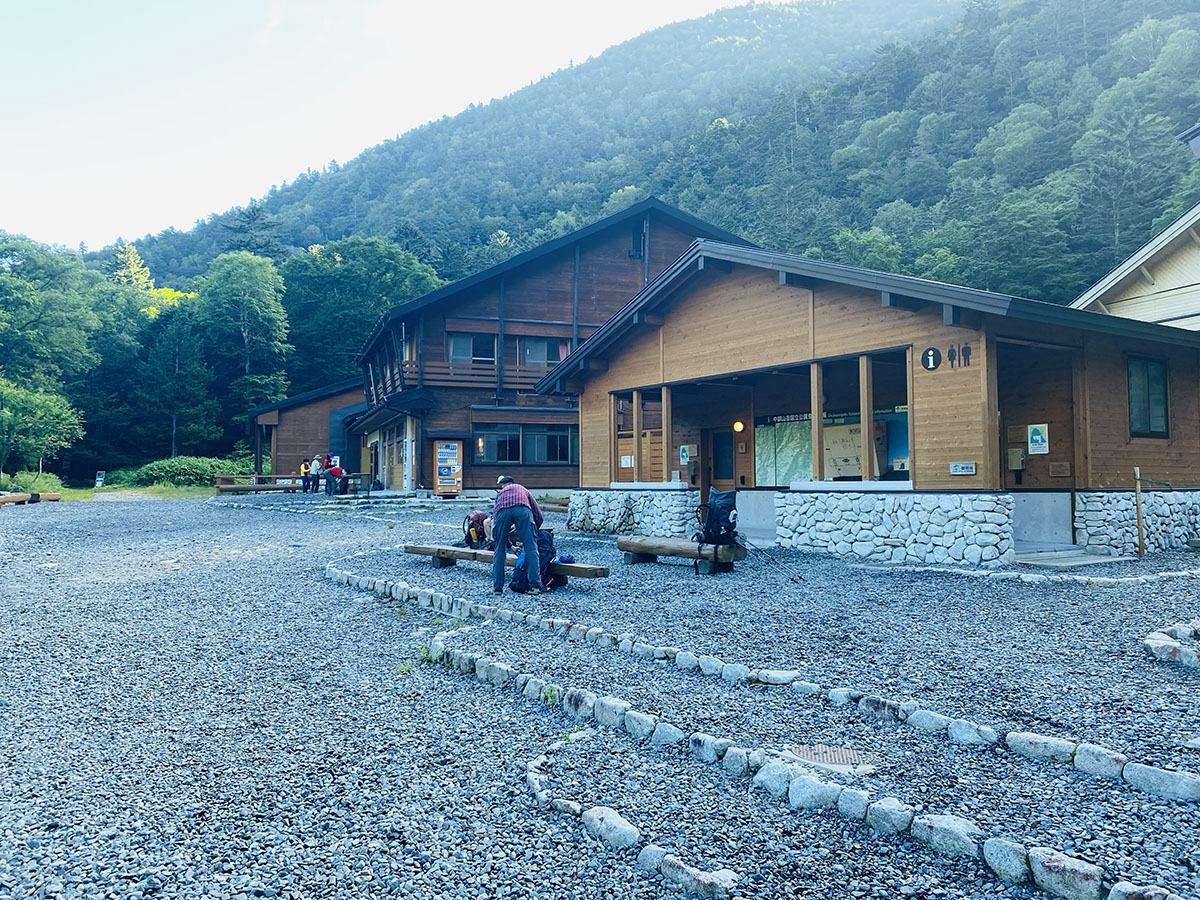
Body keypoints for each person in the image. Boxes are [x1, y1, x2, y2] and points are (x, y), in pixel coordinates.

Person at [491, 475, 544, 595]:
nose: (501, 487)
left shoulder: (500, 494)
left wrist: (504, 541)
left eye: (502, 485)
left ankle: (498, 588)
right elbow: (537, 512)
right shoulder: (522, 489)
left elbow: (495, 517)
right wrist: (534, 530)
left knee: (499, 549)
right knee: (531, 548)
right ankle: (535, 586)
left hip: (502, 510)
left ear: (506, 484)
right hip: (522, 509)